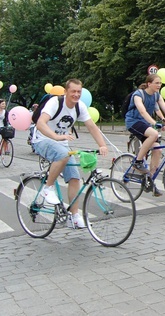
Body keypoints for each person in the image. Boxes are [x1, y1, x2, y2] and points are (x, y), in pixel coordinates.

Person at [32, 79, 110, 229]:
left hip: (61, 143)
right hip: (42, 139)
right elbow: (41, 123)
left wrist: (102, 145)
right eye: (73, 91)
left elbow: (92, 127)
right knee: (63, 154)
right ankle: (47, 188)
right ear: (66, 92)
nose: (76, 94)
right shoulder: (55, 103)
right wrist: (55, 136)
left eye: (79, 92)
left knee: (75, 177)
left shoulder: (80, 107)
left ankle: (74, 217)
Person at [125, 74, 165, 196]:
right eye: (157, 83)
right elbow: (142, 111)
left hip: (145, 124)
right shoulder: (138, 94)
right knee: (154, 134)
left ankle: (149, 180)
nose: (159, 85)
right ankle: (138, 161)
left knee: (157, 149)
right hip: (133, 122)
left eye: (160, 83)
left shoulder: (157, 95)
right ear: (149, 84)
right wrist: (154, 123)